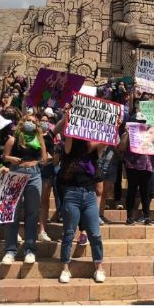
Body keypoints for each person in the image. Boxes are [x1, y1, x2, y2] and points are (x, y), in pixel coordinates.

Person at [54, 114, 106, 284]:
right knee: (68, 233)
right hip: (71, 194)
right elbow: (67, 138)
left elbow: (105, 141)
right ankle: (65, 268)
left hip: (89, 195)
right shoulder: (70, 148)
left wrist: (113, 125)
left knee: (95, 234)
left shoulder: (94, 152)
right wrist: (68, 118)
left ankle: (99, 267)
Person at [1, 114, 49, 264]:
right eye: (28, 120)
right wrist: (10, 159)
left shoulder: (38, 138)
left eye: (34, 122)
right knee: (12, 213)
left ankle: (30, 249)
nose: (31, 123)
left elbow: (45, 159)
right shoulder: (13, 139)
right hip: (16, 173)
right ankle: (10, 250)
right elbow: (4, 156)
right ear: (22, 122)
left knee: (33, 213)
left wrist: (41, 137)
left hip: (34, 174)